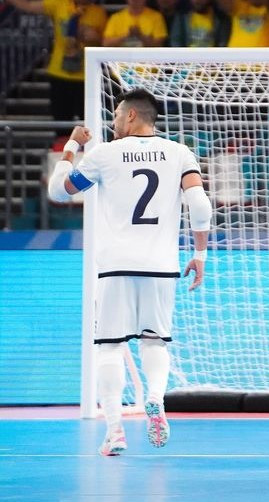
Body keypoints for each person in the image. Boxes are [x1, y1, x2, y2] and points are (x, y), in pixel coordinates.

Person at [47, 88, 212, 456]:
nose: (114, 121)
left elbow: (59, 191)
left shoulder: (104, 154)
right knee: (154, 340)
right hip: (161, 265)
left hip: (116, 265)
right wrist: (200, 253)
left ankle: (115, 432)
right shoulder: (179, 152)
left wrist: (72, 146)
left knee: (110, 347)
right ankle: (155, 398)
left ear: (132, 115)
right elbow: (200, 205)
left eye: (118, 114)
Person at [7, 0, 107, 124]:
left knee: (87, 121)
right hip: (59, 72)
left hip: (86, 76)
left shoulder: (99, 12)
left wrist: (94, 37)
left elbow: (105, 42)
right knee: (60, 118)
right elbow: (29, 6)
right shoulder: (59, 4)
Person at [103, 0, 167, 47]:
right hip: (122, 59)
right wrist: (127, 36)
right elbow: (106, 43)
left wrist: (140, 35)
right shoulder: (116, 18)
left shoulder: (156, 17)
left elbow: (159, 44)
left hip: (147, 59)